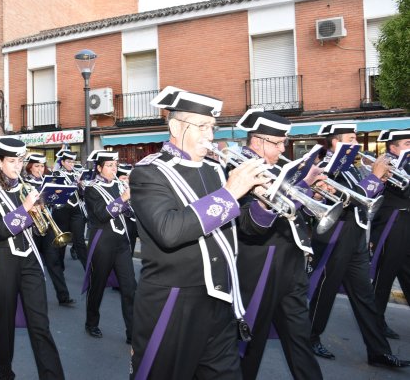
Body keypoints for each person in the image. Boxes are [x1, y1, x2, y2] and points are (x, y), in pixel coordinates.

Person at [129, 86, 270, 379]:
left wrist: (264, 204)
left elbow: (243, 228)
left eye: (212, 127)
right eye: (202, 126)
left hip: (221, 302)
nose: (210, 135)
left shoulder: (216, 171)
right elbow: (169, 230)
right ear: (176, 127)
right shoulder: (149, 173)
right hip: (173, 304)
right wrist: (231, 193)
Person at [308, 123, 409, 368]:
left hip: (355, 234)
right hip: (335, 235)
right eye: (351, 139)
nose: (357, 144)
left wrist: (380, 178)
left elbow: (367, 198)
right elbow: (348, 199)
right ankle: (309, 337)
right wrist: (375, 176)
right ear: (336, 142)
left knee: (364, 296)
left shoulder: (352, 168)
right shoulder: (326, 167)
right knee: (325, 291)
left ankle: (378, 351)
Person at [233, 110, 323, 379]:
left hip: (290, 263)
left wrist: (311, 193)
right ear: (258, 141)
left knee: (299, 339)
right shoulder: (240, 168)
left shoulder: (276, 169)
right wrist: (303, 185)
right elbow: (249, 224)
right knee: (250, 343)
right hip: (260, 266)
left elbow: (292, 212)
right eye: (277, 142)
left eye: (284, 142)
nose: (283, 148)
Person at [0, 136, 65, 380]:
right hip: (1, 263)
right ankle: (5, 374)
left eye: (20, 160)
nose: (17, 166)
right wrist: (25, 209)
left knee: (40, 325)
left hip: (30, 261)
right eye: (12, 161)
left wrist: (40, 211)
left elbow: (38, 230)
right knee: (4, 325)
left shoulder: (27, 188)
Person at [82, 150, 136, 342]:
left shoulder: (120, 185)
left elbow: (130, 214)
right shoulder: (91, 189)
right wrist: (123, 198)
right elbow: (102, 215)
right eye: (109, 165)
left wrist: (132, 200)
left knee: (130, 288)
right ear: (99, 168)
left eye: (115, 165)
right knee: (97, 286)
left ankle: (132, 332)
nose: (114, 168)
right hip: (102, 244)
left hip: (122, 243)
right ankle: (91, 323)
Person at [370, 129, 410, 339]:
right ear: (393, 147)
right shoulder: (386, 164)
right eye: (406, 143)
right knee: (383, 277)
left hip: (406, 224)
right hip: (391, 226)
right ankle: (376, 323)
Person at [25, 153, 75, 307]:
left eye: (42, 166)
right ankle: (33, 299)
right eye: (36, 166)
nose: (40, 169)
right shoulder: (24, 183)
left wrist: (56, 201)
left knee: (54, 262)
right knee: (31, 264)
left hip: (47, 225)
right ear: (30, 167)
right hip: (31, 227)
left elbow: (56, 203)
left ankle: (63, 296)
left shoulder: (49, 182)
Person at [52, 150, 88, 268]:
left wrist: (81, 185)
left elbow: (83, 195)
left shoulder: (78, 174)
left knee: (80, 242)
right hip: (62, 211)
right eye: (68, 161)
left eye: (73, 161)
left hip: (76, 211)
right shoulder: (56, 174)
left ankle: (89, 271)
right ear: (62, 162)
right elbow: (54, 194)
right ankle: (60, 267)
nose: (71, 164)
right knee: (62, 241)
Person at [117, 164, 138, 255]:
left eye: (128, 178)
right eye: (124, 178)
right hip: (119, 226)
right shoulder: (114, 189)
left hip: (132, 225)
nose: (127, 180)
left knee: (130, 252)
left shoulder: (134, 189)